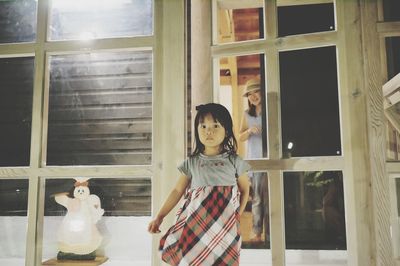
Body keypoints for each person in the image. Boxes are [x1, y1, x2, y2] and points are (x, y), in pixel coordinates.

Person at [148, 103, 250, 265]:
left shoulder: (234, 161)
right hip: (196, 224)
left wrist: (237, 214)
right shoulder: (192, 162)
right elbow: (177, 191)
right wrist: (160, 216)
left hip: (225, 227)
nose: (208, 131)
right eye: (203, 126)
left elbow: (245, 190)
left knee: (225, 260)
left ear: (227, 131)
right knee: (193, 259)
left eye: (215, 126)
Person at [239, 78, 269, 244]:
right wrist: (250, 131)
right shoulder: (246, 115)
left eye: (255, 92)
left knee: (272, 196)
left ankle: (274, 231)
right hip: (255, 160)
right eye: (249, 94)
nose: (253, 96)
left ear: (262, 92)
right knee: (257, 197)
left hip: (271, 158)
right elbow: (240, 136)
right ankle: (257, 232)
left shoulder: (271, 111)